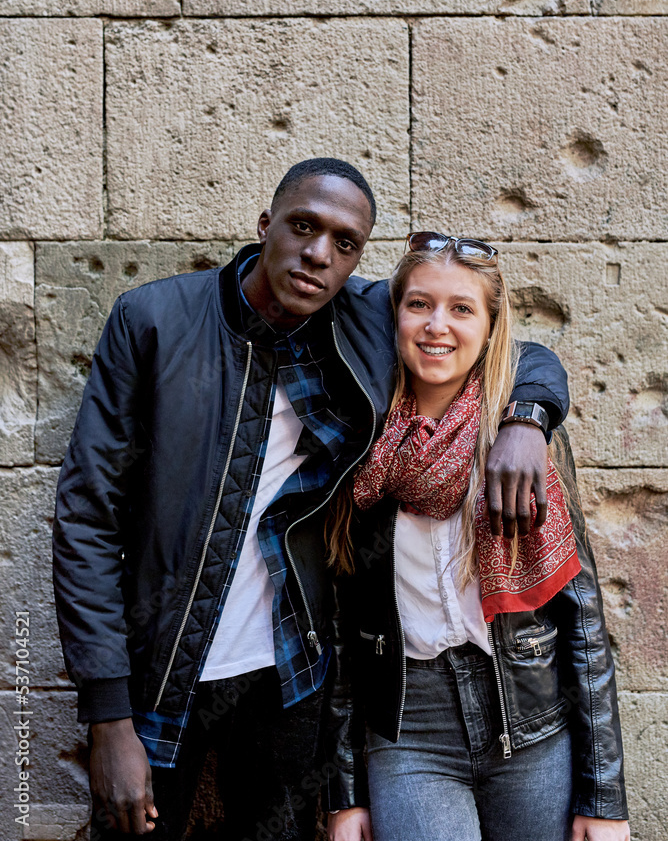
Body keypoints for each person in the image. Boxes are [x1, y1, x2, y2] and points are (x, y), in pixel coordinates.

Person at [53, 164, 570, 841]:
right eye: (303, 226)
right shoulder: (153, 320)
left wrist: (527, 418)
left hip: (291, 681)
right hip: (158, 675)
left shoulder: (361, 319)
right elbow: (87, 516)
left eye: (345, 242)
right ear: (265, 226)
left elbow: (508, 346)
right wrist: (107, 715)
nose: (319, 253)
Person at [326, 232, 629, 841]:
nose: (438, 325)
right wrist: (345, 792)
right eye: (419, 304)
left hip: (530, 721)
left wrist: (605, 796)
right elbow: (340, 627)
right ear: (394, 315)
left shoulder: (524, 440)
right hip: (408, 728)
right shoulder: (358, 437)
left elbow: (583, 616)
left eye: (462, 308)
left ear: (491, 327)